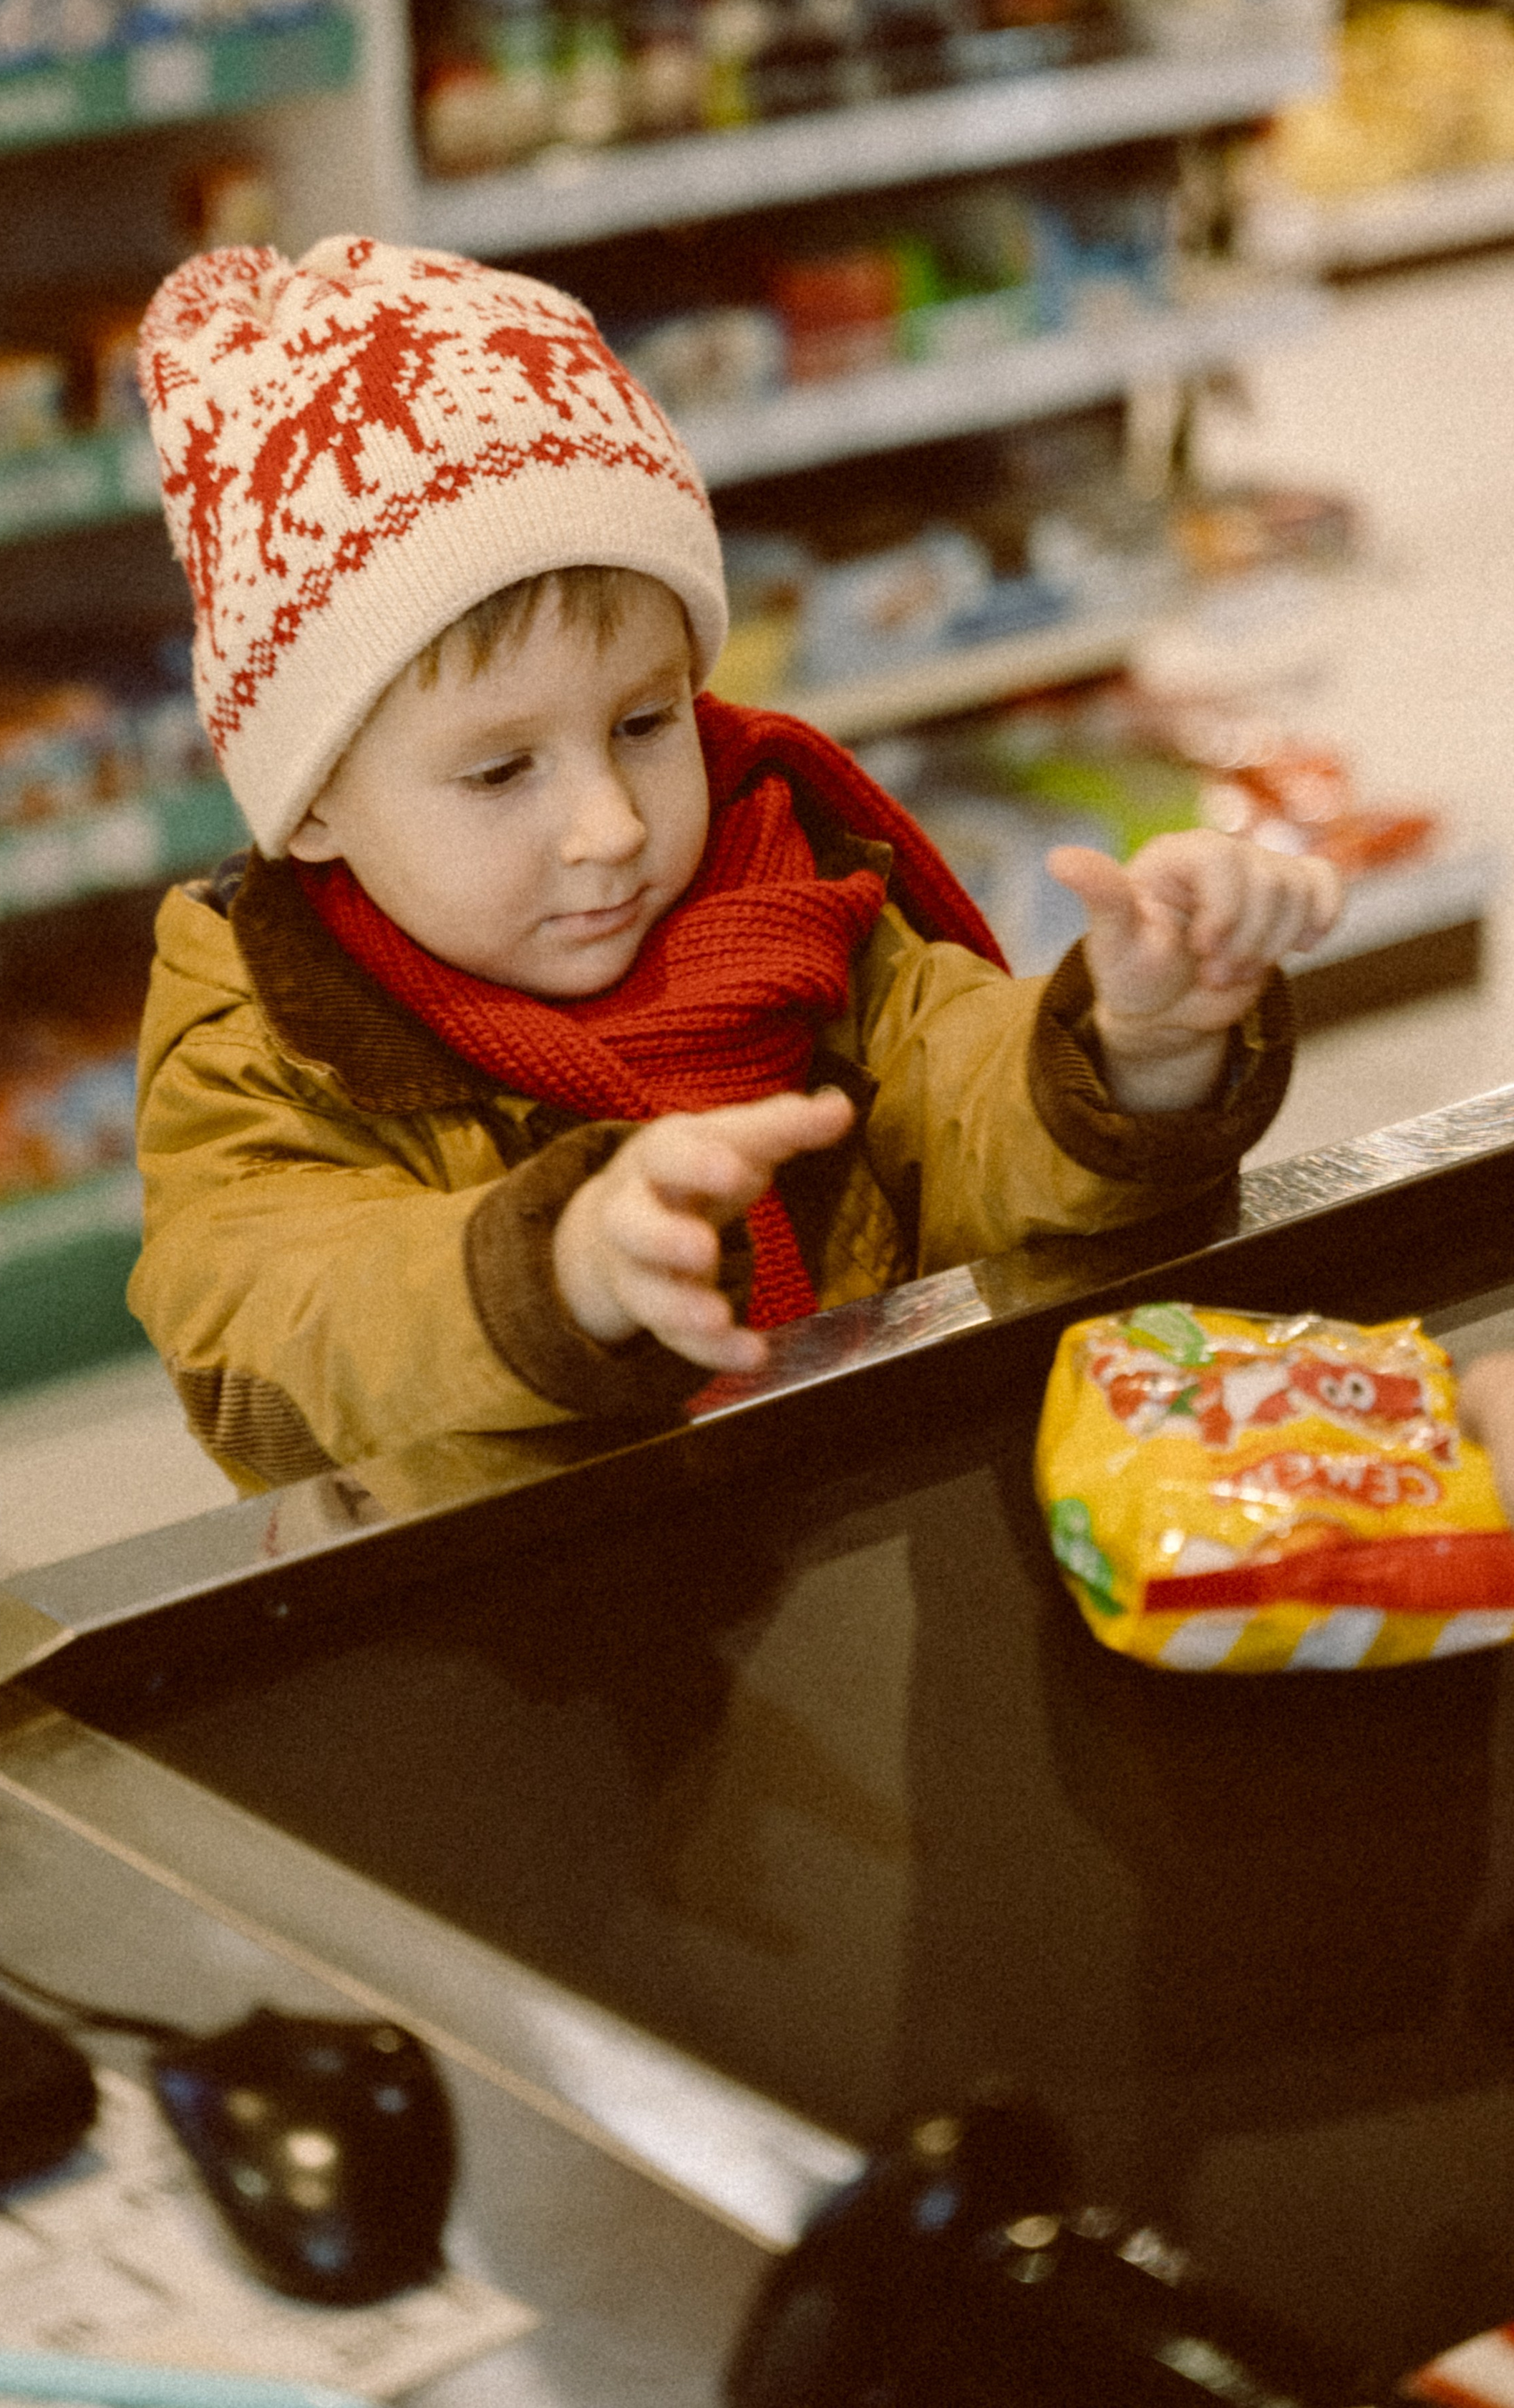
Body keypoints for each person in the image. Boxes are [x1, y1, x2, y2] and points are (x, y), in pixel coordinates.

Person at [130, 236, 1342, 1492]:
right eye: (501, 773)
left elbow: (959, 1088)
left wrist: (1133, 1052)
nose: (610, 827)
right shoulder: (265, 1037)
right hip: (504, 1632)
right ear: (313, 803)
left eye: (646, 726)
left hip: (858, 1539)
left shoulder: (790, 894)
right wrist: (556, 1273)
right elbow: (268, 1324)